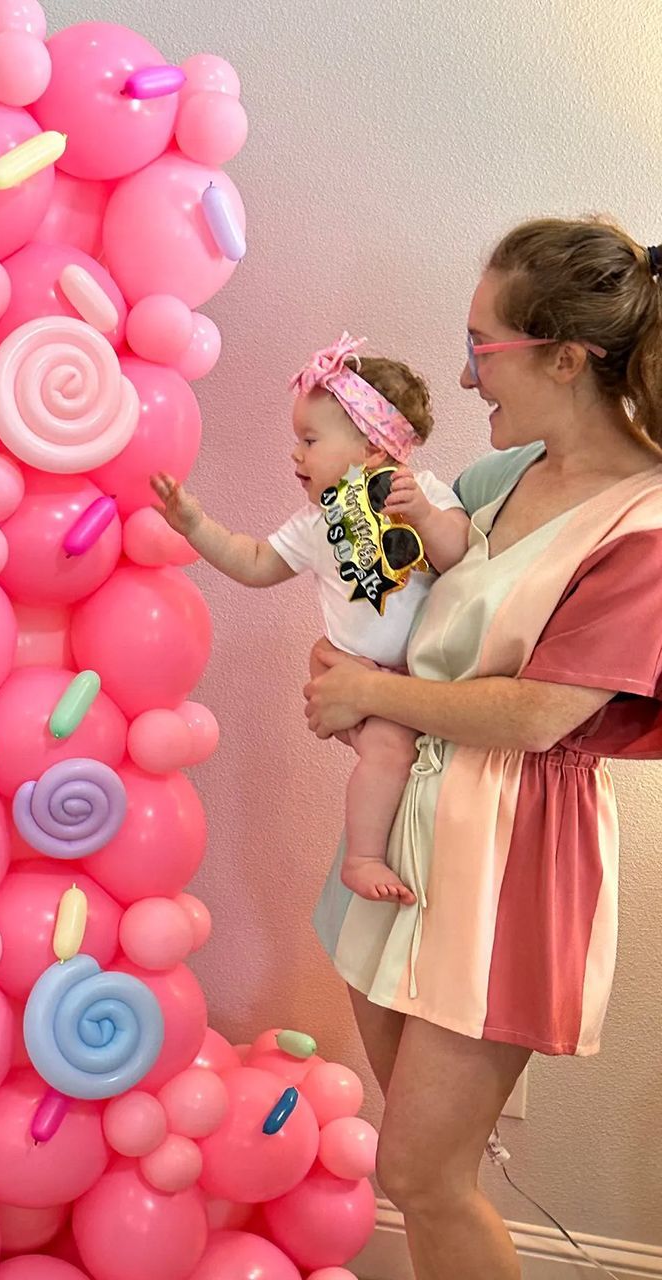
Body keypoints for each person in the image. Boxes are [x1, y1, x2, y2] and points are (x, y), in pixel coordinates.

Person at [305, 218, 662, 1280]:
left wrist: (368, 691)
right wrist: (343, 655)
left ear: (563, 356)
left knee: (421, 1171)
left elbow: (539, 715)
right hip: (402, 826)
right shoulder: (506, 470)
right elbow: (410, 596)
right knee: (411, 1164)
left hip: (506, 859)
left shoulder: (641, 528)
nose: (463, 379)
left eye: (481, 348)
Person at [152, 334, 469, 906]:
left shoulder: (419, 491)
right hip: (359, 667)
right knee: (390, 751)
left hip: (420, 675)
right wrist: (196, 526)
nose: (295, 454)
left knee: (410, 759)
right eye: (297, 440)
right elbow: (255, 563)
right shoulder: (319, 519)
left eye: (310, 440)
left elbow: (459, 556)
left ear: (373, 448)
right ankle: (363, 857)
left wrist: (422, 514)